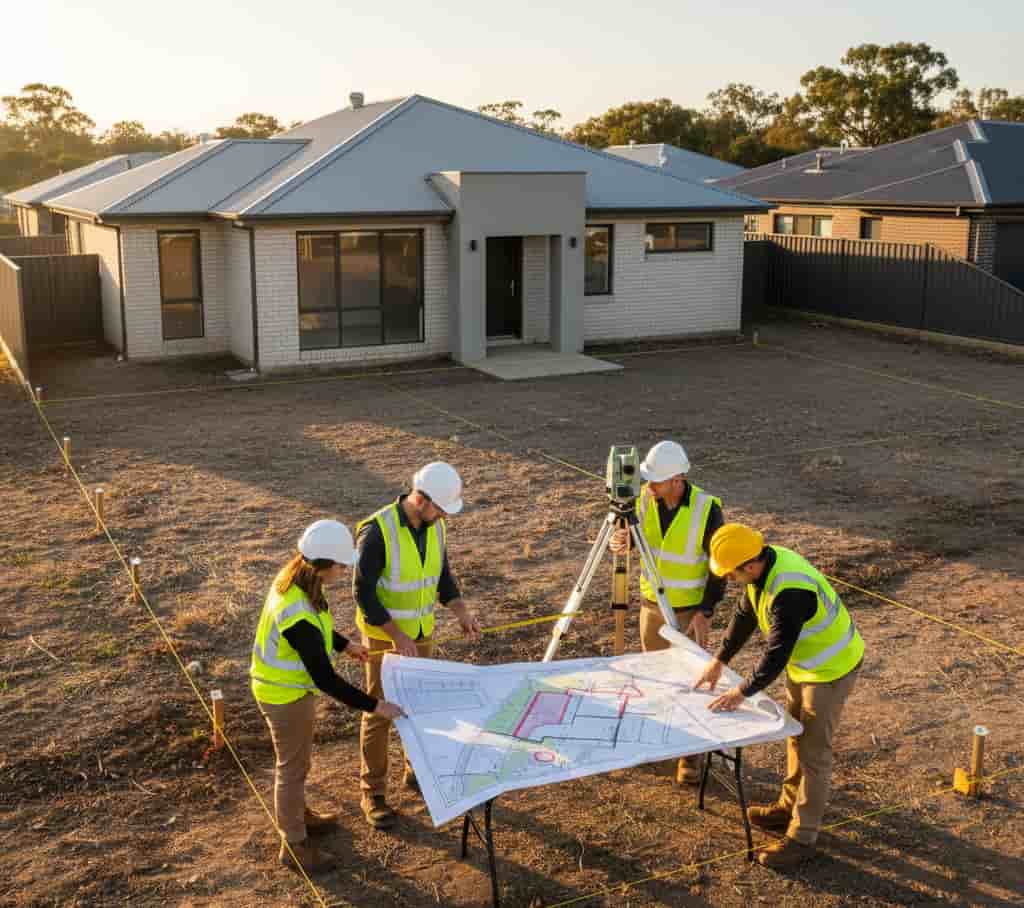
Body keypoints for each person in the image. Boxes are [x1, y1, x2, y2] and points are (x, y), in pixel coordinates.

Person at [695, 523, 865, 868]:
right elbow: (744, 615)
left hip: (831, 669)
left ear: (750, 565)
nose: (729, 579)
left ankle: (802, 837)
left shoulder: (790, 591)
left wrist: (741, 691)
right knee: (794, 737)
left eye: (731, 573)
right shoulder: (762, 570)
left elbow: (776, 654)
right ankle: (787, 808)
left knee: (814, 753)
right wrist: (719, 660)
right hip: (806, 667)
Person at [250, 519, 405, 873]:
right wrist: (377, 705)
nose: (344, 571)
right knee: (292, 769)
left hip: (288, 691)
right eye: (341, 565)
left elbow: (317, 626)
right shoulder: (296, 610)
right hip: (284, 696)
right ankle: (294, 845)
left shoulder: (298, 579)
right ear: (323, 564)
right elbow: (326, 680)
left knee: (298, 763)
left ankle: (298, 816)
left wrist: (345, 644)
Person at [354, 461, 481, 829]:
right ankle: (373, 793)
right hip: (384, 637)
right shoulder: (377, 531)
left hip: (422, 632)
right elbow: (362, 593)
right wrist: (397, 635)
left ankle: (417, 771)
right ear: (421, 500)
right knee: (380, 712)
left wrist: (460, 611)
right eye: (440, 508)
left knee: (419, 706)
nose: (445, 515)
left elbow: (442, 576)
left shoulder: (436, 526)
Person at [609, 440, 726, 784]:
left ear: (677, 480)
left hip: (690, 611)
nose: (648, 485)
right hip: (652, 605)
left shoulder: (707, 509)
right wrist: (623, 541)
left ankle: (691, 756)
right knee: (657, 677)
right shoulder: (646, 499)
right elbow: (640, 538)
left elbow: (720, 567)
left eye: (656, 480)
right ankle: (664, 740)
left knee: (692, 682)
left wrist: (706, 611)